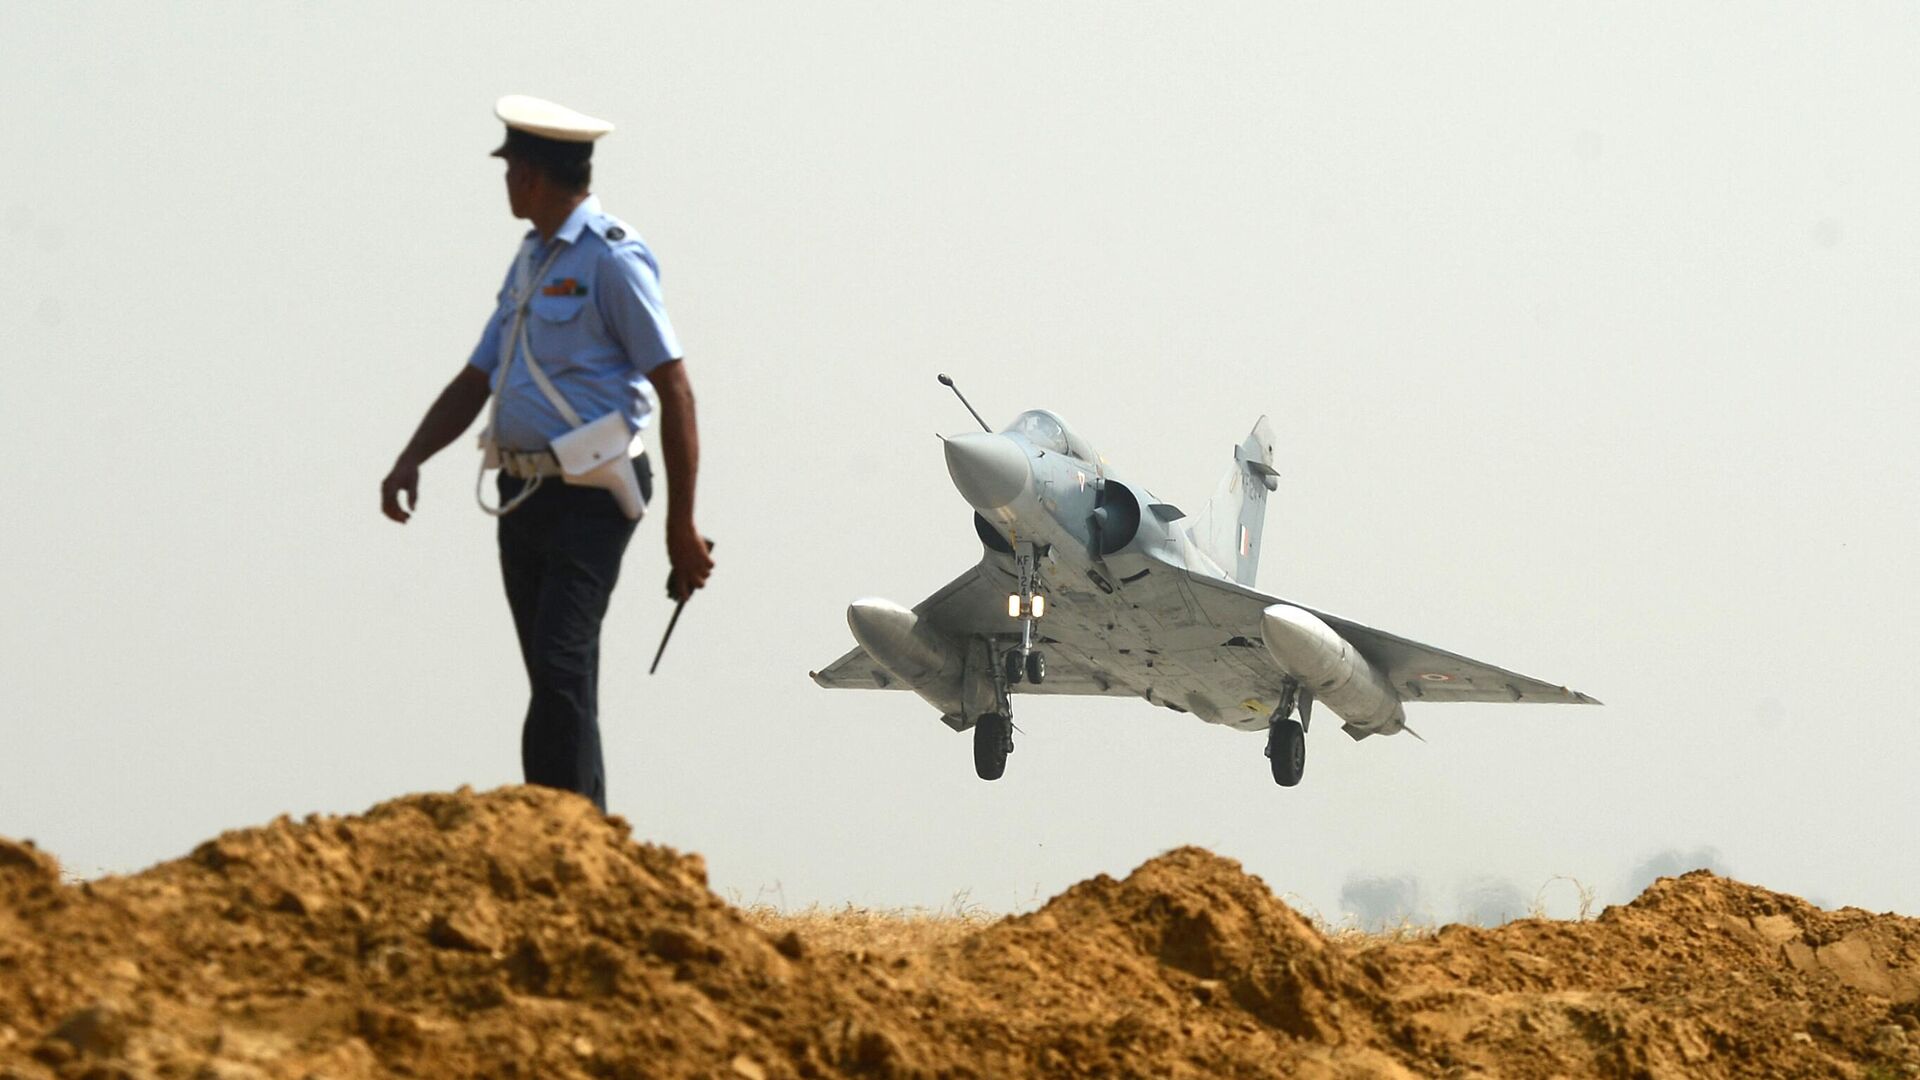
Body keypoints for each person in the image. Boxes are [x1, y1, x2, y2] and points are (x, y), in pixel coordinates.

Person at [380, 95, 714, 812]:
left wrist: (680, 528)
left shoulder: (612, 259)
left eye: (511, 168)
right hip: (523, 494)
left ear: (533, 176)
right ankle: (583, 843)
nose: (504, 181)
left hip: (593, 496)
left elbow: (675, 390)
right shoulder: (530, 260)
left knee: (561, 671)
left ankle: (555, 839)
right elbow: (478, 376)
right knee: (557, 678)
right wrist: (411, 457)